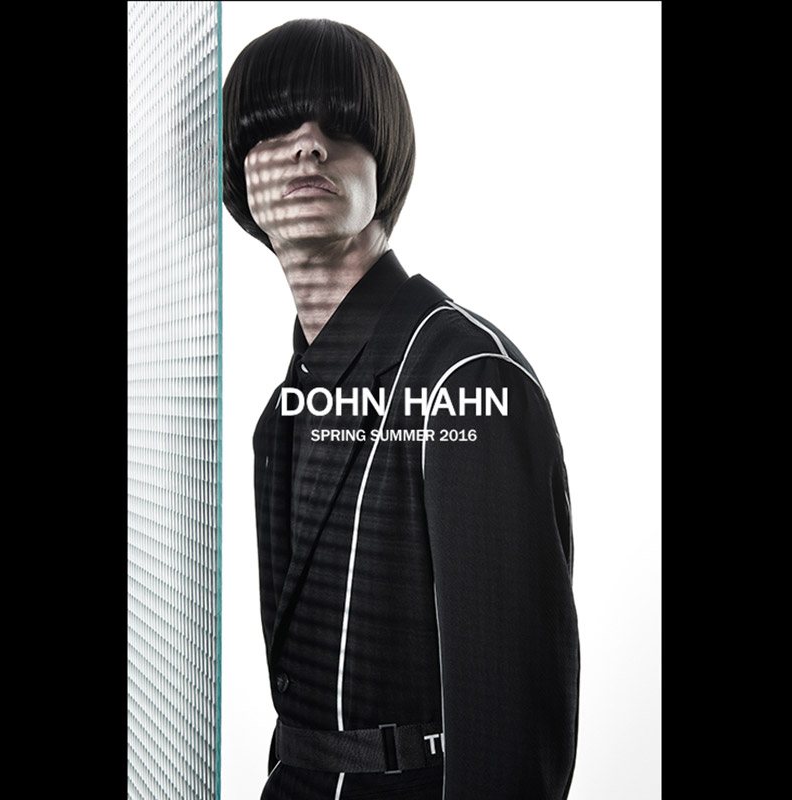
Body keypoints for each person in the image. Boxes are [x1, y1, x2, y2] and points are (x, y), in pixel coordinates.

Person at [223, 18, 579, 800]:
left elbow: (514, 745)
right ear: (238, 177)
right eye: (276, 126)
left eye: (341, 126)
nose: (308, 145)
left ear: (385, 165)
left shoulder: (466, 379)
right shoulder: (281, 413)